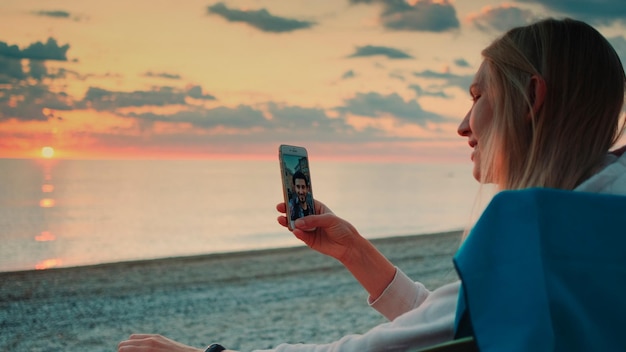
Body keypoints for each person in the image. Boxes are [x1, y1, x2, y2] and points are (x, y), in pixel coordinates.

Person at [118, 17, 626, 352]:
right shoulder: (599, 217)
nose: (464, 124)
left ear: (531, 97)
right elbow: (457, 324)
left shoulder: (539, 236)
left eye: (479, 96)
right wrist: (355, 250)